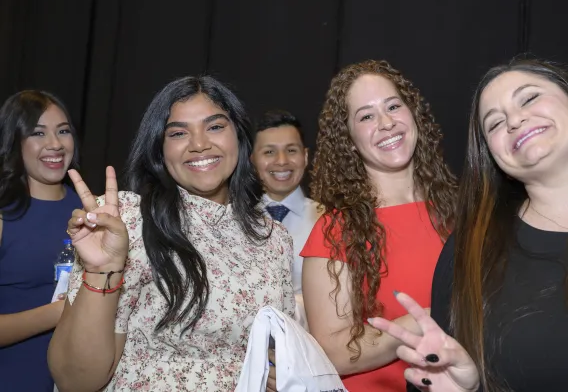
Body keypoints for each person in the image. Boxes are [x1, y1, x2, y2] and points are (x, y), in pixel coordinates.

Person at [47, 76, 295, 391]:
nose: (199, 143)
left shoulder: (274, 239)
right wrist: (102, 269)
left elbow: (278, 350)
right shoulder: (128, 221)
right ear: (159, 149)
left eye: (215, 126)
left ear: (240, 137)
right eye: (178, 133)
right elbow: (75, 381)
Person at [369, 57, 568, 392]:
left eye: (530, 98)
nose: (515, 120)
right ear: (491, 155)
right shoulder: (471, 252)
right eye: (494, 123)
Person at [300, 60, 457, 392]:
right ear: (349, 139)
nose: (386, 123)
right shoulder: (335, 230)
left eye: (393, 106)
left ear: (413, 114)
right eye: (366, 116)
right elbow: (333, 351)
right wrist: (423, 319)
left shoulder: (462, 212)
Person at [0, 90, 81, 392]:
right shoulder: (4, 216)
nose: (56, 144)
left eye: (63, 131)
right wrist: (61, 312)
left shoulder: (90, 211)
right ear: (14, 142)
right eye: (38, 133)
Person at [251, 110, 322, 323]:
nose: (282, 161)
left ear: (305, 156)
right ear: (252, 160)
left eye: (291, 150)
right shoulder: (232, 222)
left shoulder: (329, 221)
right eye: (269, 152)